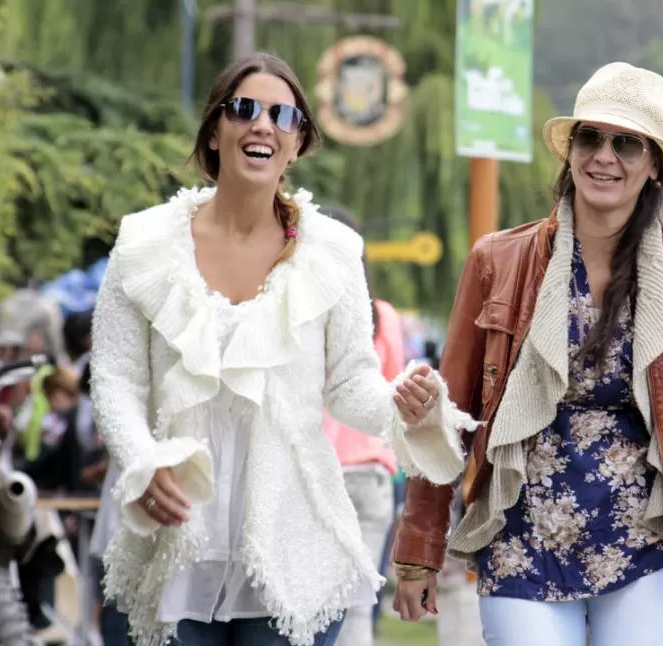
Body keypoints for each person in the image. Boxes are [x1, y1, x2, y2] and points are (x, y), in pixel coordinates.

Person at [89, 52, 475, 646]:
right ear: (214, 132)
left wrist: (404, 405)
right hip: (174, 543)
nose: (262, 124)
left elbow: (349, 384)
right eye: (243, 109)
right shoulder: (144, 243)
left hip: (294, 550)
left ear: (297, 144)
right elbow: (116, 378)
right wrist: (143, 459)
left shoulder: (334, 252)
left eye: (283, 115)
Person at [391, 62, 663, 646]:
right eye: (591, 138)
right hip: (521, 532)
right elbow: (452, 414)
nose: (604, 157)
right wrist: (419, 548)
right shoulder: (497, 261)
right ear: (571, 152)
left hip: (644, 537)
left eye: (627, 144)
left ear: (655, 166)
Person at [317, 204, 405, 646]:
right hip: (373, 474)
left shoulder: (307, 311)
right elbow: (392, 390)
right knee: (355, 609)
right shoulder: (383, 315)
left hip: (319, 473)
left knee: (309, 605)